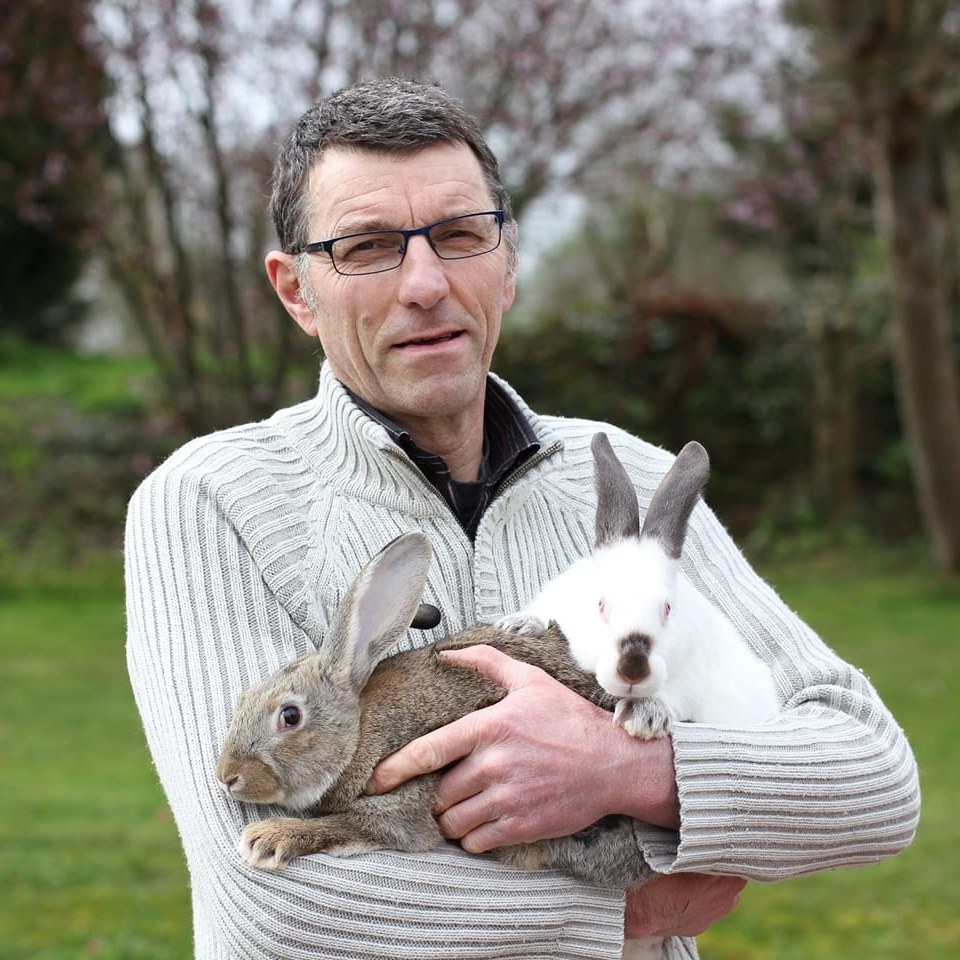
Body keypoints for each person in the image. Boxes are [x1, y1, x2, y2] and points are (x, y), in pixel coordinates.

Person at [124, 77, 920, 960]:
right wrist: (627, 914)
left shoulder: (631, 482)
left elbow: (873, 779)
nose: (425, 284)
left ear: (508, 262)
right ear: (296, 292)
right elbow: (276, 903)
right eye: (368, 247)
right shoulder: (208, 501)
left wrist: (633, 772)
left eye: (460, 236)